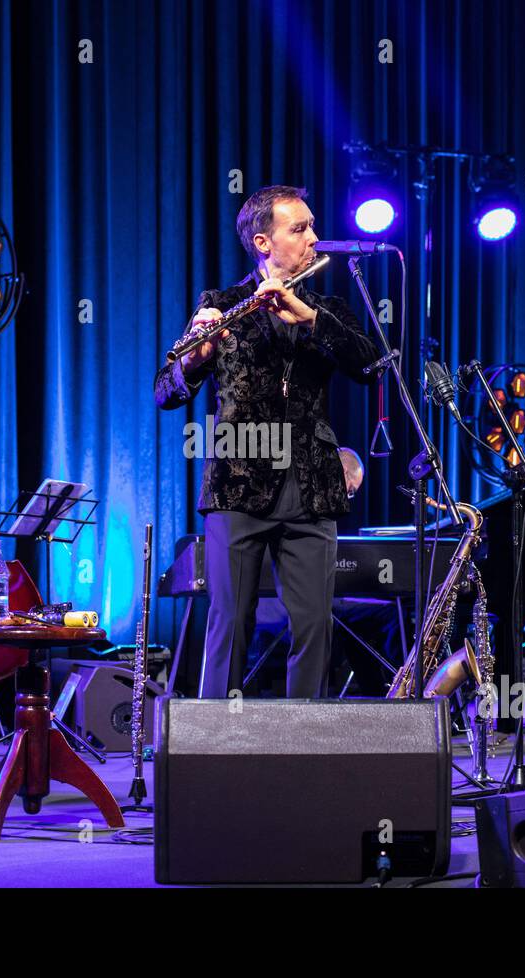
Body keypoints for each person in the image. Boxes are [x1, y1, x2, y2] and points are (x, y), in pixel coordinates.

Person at [154, 185, 380, 698]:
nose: (314, 238)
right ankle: (215, 746)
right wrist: (193, 357)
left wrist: (311, 319)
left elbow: (370, 364)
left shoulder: (325, 305)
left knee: (314, 626)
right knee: (231, 621)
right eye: (299, 229)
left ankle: (303, 750)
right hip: (239, 482)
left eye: (312, 225)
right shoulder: (223, 304)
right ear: (263, 241)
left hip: (312, 484)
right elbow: (164, 393)